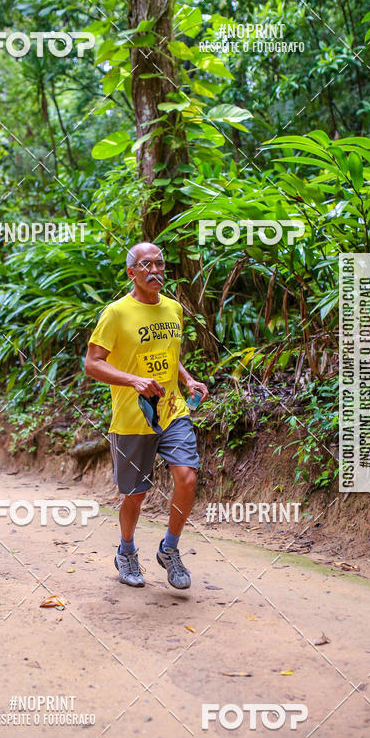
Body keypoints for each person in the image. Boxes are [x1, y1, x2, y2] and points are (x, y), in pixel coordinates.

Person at [85, 242, 209, 590]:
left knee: (187, 477)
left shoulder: (173, 309)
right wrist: (134, 380)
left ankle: (169, 549)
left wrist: (187, 380)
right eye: (146, 265)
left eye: (160, 264)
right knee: (135, 495)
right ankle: (126, 551)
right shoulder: (116, 314)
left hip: (172, 410)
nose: (155, 270)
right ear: (131, 272)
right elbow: (92, 364)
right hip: (132, 418)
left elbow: (169, 353)